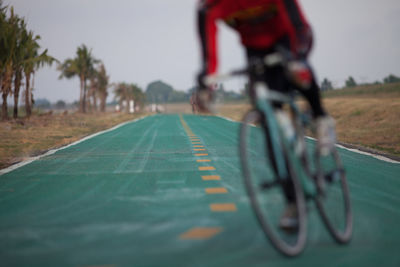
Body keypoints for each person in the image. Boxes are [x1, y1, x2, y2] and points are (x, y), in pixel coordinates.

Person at [195, 0, 337, 230]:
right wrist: (206, 83)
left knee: (298, 71)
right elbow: (208, 48)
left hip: (290, 35)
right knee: (271, 122)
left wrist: (297, 57)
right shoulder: (210, 5)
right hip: (255, 48)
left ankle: (321, 118)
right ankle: (293, 202)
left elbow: (296, 23)